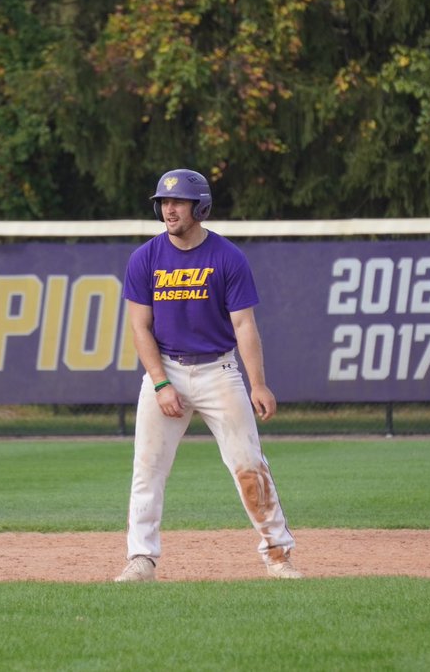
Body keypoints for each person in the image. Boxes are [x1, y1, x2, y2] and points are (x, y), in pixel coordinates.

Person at [114, 168, 301, 582]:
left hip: (219, 370)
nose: (169, 210)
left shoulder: (227, 257)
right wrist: (161, 383)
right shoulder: (145, 258)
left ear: (200, 207)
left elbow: (244, 325)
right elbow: (140, 328)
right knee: (147, 468)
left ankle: (277, 555)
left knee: (248, 464)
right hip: (167, 368)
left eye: (178, 202)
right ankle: (141, 558)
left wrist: (257, 383)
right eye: (164, 202)